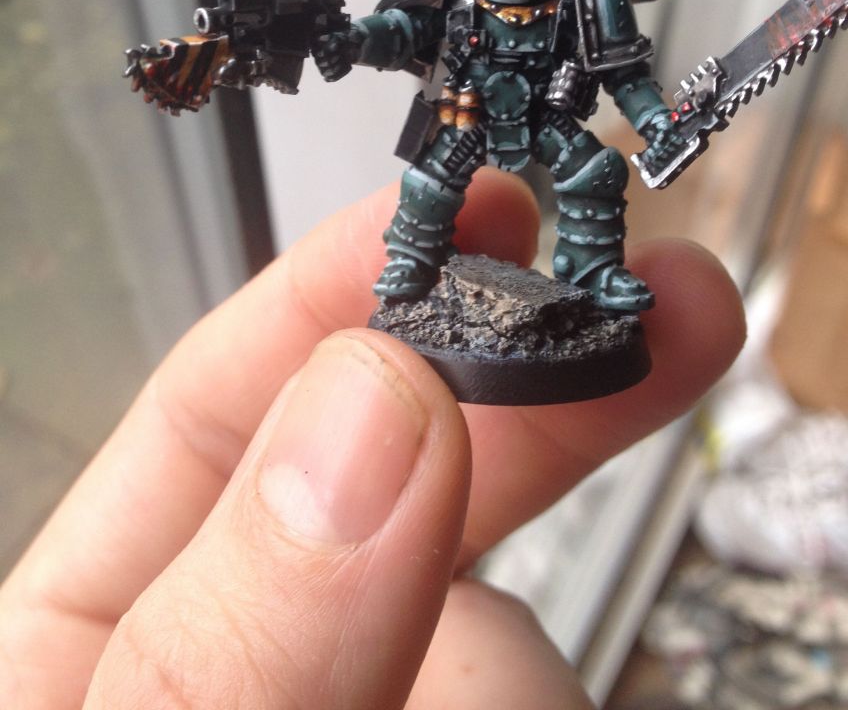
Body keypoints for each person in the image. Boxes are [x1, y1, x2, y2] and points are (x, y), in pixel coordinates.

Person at [0, 170, 744, 708]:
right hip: (467, 125)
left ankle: (593, 279)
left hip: (545, 122)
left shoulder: (566, 8)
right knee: (436, 183)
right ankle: (422, 274)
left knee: (588, 174)